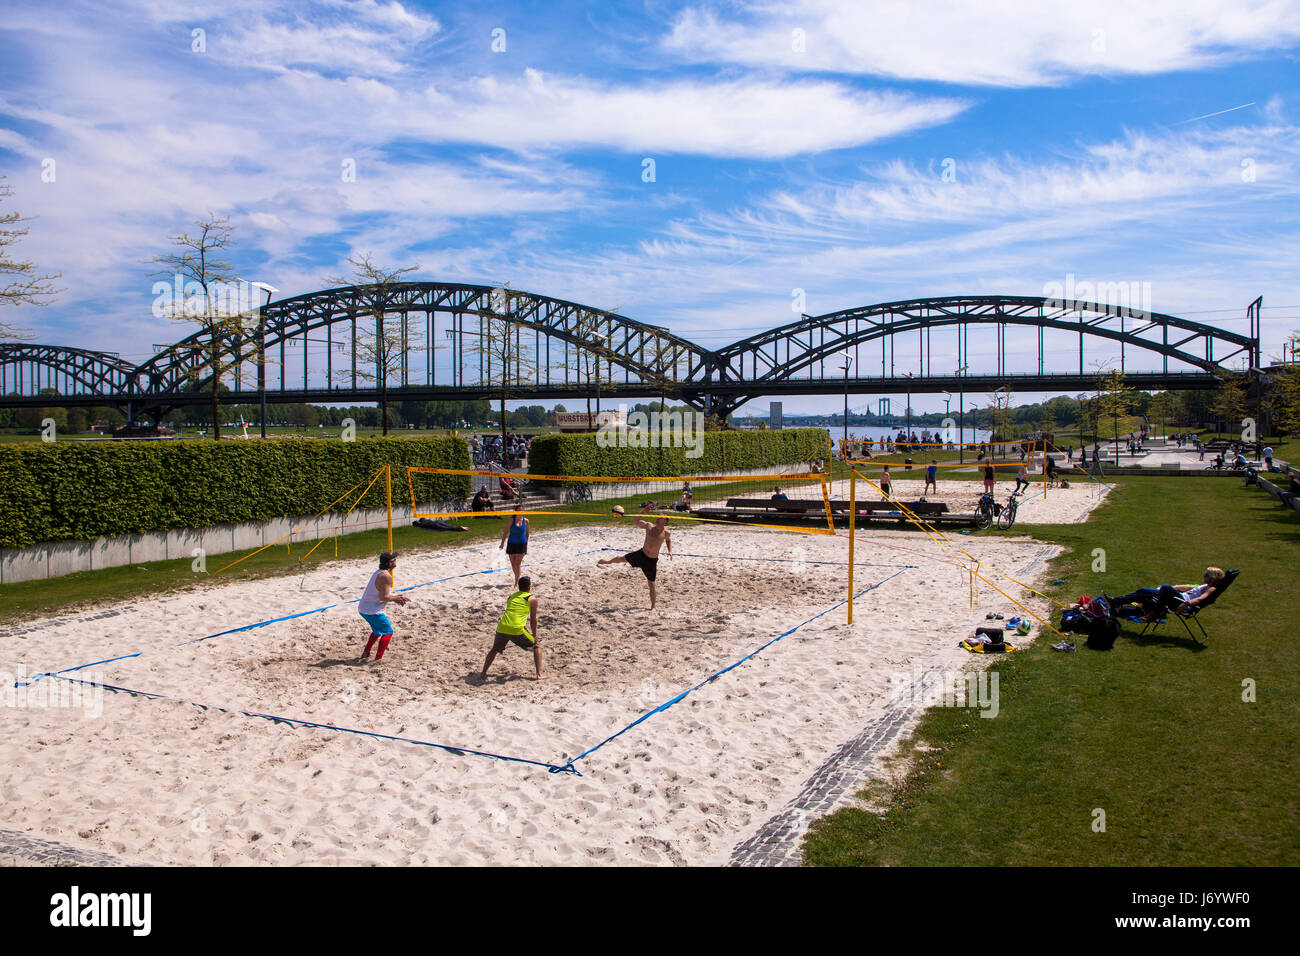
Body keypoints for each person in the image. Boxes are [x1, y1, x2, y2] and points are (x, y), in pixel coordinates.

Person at [598, 515, 672, 609]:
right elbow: (635, 521)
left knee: (651, 584)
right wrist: (644, 511)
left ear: (665, 520)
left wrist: (670, 551)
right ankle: (608, 562)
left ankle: (653, 607)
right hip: (642, 554)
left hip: (651, 560)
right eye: (658, 516)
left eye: (661, 517)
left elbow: (668, 541)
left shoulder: (666, 533)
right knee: (622, 558)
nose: (658, 518)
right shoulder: (649, 526)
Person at [480, 575, 541, 681]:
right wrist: (534, 634)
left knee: (494, 650)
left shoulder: (511, 597)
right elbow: (533, 620)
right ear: (529, 587)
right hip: (516, 628)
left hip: (502, 626)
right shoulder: (532, 599)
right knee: (536, 646)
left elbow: (514, 614)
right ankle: (539, 674)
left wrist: (525, 629)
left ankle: (483, 673)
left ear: (519, 587)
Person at [1110, 567, 1226, 623]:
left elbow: (1201, 599)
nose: (1204, 575)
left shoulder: (1211, 589)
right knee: (1144, 590)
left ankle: (1152, 614)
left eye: (1206, 574)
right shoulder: (1203, 586)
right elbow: (1187, 588)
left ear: (1211, 578)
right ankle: (1117, 602)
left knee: (1164, 587)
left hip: (1180, 602)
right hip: (1176, 597)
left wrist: (1186, 603)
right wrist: (1173, 588)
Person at [357, 552, 408, 661]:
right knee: (388, 632)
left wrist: (395, 597)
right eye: (394, 559)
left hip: (364, 608)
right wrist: (396, 598)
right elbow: (384, 597)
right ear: (389, 563)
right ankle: (378, 659)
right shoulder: (386, 576)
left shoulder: (379, 572)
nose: (396, 561)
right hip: (372, 610)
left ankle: (366, 653)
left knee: (377, 631)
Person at [499, 509, 529, 587]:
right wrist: (502, 543)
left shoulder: (526, 521)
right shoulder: (511, 520)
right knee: (513, 564)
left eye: (521, 510)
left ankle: (517, 581)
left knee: (517, 563)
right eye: (518, 510)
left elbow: (527, 533)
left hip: (521, 544)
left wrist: (526, 544)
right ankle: (517, 578)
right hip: (511, 544)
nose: (520, 512)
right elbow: (506, 531)